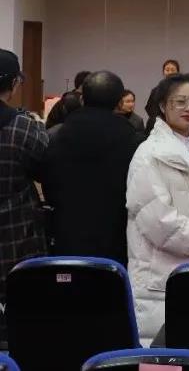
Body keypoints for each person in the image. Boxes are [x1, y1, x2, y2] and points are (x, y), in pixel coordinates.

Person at [126, 73, 189, 343]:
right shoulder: (148, 153)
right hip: (161, 268)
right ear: (163, 106)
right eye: (180, 102)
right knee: (160, 351)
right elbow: (154, 216)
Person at [41, 71, 141, 266]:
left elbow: (47, 180)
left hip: (67, 231)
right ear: (119, 102)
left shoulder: (57, 134)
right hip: (116, 235)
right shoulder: (133, 139)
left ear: (82, 98)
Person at [0, 49, 48, 343]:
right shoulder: (24, 126)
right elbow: (45, 169)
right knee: (19, 321)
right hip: (16, 234)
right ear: (14, 83)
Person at [145, 60, 181, 133]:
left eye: (172, 70)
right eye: (167, 70)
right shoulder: (156, 90)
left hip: (178, 124)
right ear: (163, 72)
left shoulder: (183, 89)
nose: (170, 72)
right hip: (160, 125)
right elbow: (149, 107)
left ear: (178, 72)